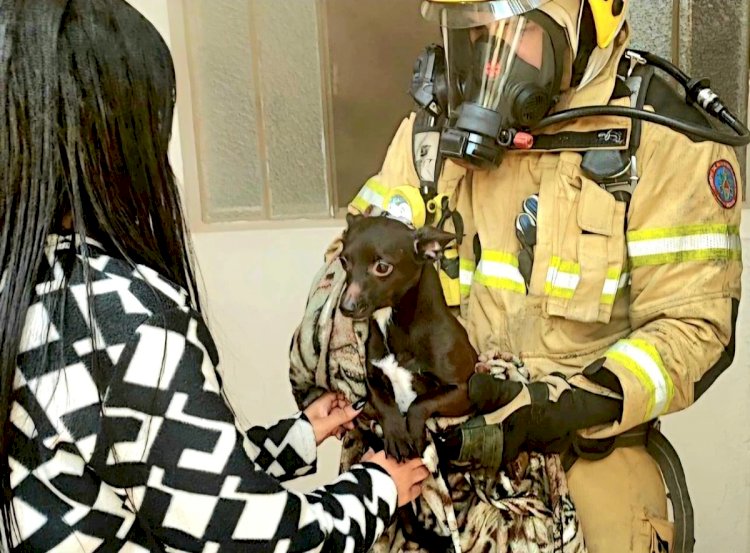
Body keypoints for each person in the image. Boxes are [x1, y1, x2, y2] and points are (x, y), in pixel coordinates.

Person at [0, 1, 429, 551]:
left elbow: (154, 468)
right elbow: (253, 540)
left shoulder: (26, 281)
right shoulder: (126, 320)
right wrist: (375, 488)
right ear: (119, 136)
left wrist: (298, 436)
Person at [338, 0, 744, 551]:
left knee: (612, 527)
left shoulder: (662, 140)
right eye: (473, 31)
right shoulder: (431, 135)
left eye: (513, 32)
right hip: (442, 426)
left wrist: (561, 407)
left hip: (582, 442)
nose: (487, 61)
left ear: (584, 20)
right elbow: (352, 265)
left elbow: (694, 328)